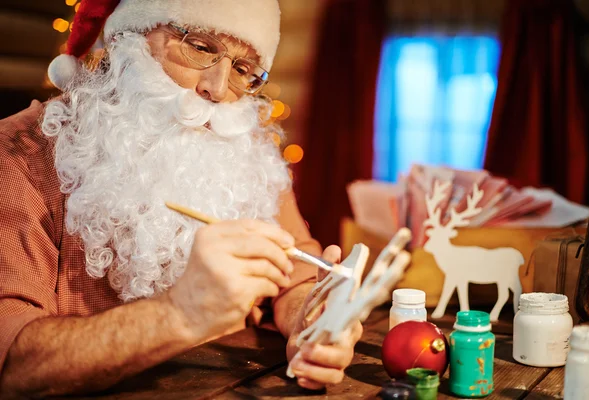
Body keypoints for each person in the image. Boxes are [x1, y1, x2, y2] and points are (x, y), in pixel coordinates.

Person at [0, 0, 362, 398]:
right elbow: (12, 366)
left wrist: (310, 320)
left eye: (243, 70)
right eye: (201, 47)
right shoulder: (17, 154)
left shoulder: (248, 152)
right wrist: (180, 314)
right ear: (127, 39)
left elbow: (296, 265)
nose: (218, 89)